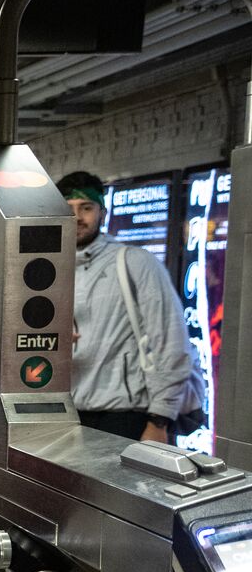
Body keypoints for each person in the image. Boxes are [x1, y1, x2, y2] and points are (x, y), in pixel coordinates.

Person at [57, 171, 191, 443]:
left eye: (86, 208)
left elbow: (170, 340)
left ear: (102, 213)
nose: (78, 217)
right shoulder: (49, 269)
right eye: (68, 209)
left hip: (125, 417)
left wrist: (159, 419)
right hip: (64, 414)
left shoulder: (136, 263)